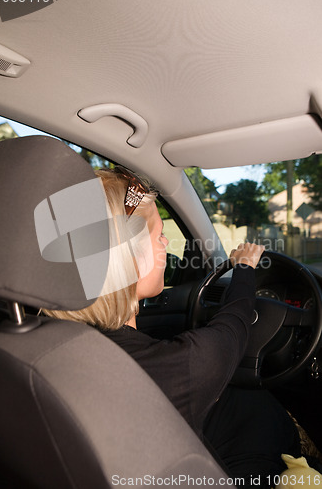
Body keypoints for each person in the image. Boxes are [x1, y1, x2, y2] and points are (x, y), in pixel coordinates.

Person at [44, 166, 302, 487]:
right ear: (128, 256)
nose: (166, 240)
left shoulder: (43, 337)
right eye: (157, 233)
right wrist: (245, 269)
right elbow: (233, 328)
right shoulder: (171, 368)